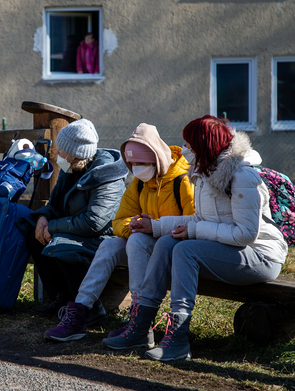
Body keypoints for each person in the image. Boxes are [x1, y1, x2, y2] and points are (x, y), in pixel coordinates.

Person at [102, 115, 288, 361]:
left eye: (190, 145)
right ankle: (140, 327)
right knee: (168, 242)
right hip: (230, 250)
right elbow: (199, 220)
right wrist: (156, 227)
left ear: (204, 145)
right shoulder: (205, 174)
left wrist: (194, 232)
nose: (185, 150)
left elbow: (245, 234)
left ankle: (178, 337)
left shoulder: (243, 177)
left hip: (260, 257)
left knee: (185, 249)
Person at [44, 123, 195, 342]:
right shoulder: (140, 183)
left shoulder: (183, 180)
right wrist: (133, 225)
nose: (136, 169)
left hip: (171, 246)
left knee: (137, 240)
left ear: (157, 158)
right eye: (132, 164)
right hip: (145, 241)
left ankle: (138, 317)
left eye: (141, 163)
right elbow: (119, 220)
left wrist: (153, 227)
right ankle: (81, 310)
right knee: (110, 244)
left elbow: (194, 221)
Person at [18, 119, 128, 327]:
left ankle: (91, 310)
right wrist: (43, 218)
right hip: (76, 230)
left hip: (102, 238)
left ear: (75, 154)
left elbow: (94, 222)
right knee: (33, 231)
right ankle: (61, 299)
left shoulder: (107, 177)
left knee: (61, 246)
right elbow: (55, 204)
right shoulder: (72, 169)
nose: (57, 154)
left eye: (61, 150)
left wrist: (52, 226)